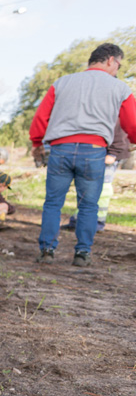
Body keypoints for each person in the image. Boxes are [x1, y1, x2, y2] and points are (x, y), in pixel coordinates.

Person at [30, 43, 136, 267]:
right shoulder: (120, 88)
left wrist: (36, 142)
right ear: (110, 60)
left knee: (52, 203)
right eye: (119, 64)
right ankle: (82, 254)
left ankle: (47, 250)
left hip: (61, 149)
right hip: (94, 151)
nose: (118, 70)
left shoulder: (62, 82)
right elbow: (132, 123)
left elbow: (41, 116)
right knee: (88, 206)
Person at [65, 121, 130, 233]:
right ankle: (78, 220)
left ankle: (97, 222)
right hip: (92, 148)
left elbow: (123, 124)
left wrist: (113, 152)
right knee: (86, 187)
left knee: (103, 186)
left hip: (108, 151)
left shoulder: (117, 105)